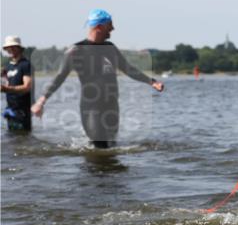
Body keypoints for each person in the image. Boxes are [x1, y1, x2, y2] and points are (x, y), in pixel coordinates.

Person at [31, 10, 164, 147]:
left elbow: (128, 69)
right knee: (99, 145)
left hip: (112, 105)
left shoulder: (110, 48)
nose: (113, 28)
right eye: (110, 25)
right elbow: (59, 77)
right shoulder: (76, 51)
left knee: (111, 146)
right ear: (99, 27)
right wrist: (41, 101)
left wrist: (151, 82)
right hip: (91, 107)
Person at [2, 36, 33, 132]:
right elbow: (5, 79)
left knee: (23, 139)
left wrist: (6, 89)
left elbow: (27, 87)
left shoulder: (25, 65)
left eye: (13, 47)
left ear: (19, 48)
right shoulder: (8, 66)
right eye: (8, 47)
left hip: (22, 111)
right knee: (12, 139)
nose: (10, 49)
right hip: (10, 110)